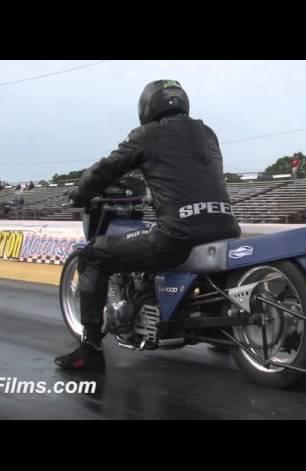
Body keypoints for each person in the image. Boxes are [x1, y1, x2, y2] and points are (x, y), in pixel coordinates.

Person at [55, 79, 241, 372]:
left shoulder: (147, 135)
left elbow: (106, 168)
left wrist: (81, 192)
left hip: (178, 235)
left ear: (147, 106)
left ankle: (89, 349)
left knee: (93, 256)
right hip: (226, 227)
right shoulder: (207, 133)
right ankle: (217, 328)